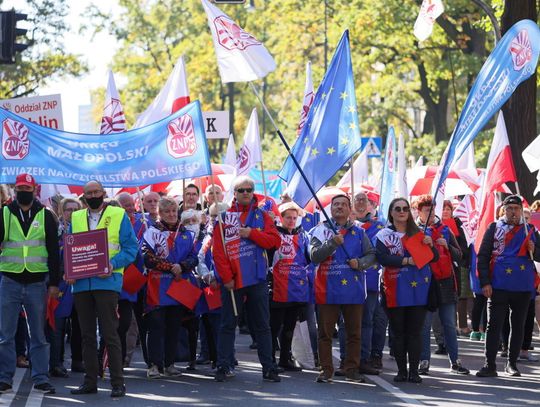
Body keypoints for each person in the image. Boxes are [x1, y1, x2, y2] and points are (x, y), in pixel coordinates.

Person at [69, 180, 138, 398]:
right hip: (81, 284)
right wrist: (69, 272)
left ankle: (118, 383)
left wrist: (112, 265)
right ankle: (90, 382)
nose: (92, 195)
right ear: (83, 196)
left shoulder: (118, 215)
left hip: (107, 282)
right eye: (88, 193)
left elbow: (131, 249)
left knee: (110, 334)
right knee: (86, 336)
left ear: (103, 193)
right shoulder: (76, 217)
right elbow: (70, 248)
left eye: (96, 192)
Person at [212, 176, 282, 382]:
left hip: (257, 279)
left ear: (253, 193)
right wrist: (226, 278)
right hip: (232, 281)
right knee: (227, 324)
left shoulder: (263, 216)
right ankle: (224, 365)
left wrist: (251, 233)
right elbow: (218, 252)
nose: (245, 193)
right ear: (234, 193)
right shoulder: (224, 218)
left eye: (249, 190)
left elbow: (274, 242)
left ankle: (269, 368)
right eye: (241, 190)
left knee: (262, 325)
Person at [0, 174, 60, 394]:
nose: (23, 190)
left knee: (38, 334)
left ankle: (41, 377)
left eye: (27, 187)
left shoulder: (46, 215)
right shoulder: (4, 213)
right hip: (10, 279)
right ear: (15, 190)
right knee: (5, 334)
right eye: (19, 187)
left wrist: (54, 283)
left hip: (37, 282)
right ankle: (4, 378)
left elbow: (54, 251)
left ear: (35, 190)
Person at [310, 194, 376, 383]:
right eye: (335, 204)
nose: (339, 207)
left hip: (352, 290)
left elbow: (372, 255)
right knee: (325, 333)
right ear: (330, 209)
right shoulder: (320, 231)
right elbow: (314, 256)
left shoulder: (359, 232)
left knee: (354, 333)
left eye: (343, 205)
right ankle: (326, 370)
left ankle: (351, 369)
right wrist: (332, 243)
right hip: (327, 289)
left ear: (350, 209)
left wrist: (361, 263)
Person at [476, 195, 540, 377]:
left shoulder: (530, 230)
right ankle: (490, 365)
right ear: (504, 210)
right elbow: (483, 256)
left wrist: (534, 249)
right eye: (510, 208)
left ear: (521, 210)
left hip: (522, 285)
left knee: (517, 325)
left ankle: (512, 364)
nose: (513, 211)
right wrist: (485, 282)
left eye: (516, 208)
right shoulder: (494, 227)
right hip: (498, 284)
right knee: (493, 325)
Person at [375, 198, 438, 383]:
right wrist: (405, 261)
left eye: (405, 208)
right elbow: (382, 258)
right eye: (398, 208)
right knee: (398, 331)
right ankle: (402, 371)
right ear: (391, 213)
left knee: (415, 332)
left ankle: (414, 372)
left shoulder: (419, 233)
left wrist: (431, 245)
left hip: (418, 289)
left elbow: (433, 258)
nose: (402, 211)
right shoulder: (383, 235)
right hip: (394, 289)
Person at [142, 196, 198, 378]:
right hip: (157, 286)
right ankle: (154, 365)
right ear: (160, 213)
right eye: (167, 211)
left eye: (174, 211)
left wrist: (181, 266)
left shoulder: (186, 233)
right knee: (156, 325)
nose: (172, 214)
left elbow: (193, 256)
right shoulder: (151, 231)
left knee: (174, 325)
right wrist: (169, 267)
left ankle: (169, 363)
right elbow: (147, 257)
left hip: (178, 285)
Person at [415, 195, 469, 375]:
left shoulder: (446, 229)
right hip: (425, 283)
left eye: (432, 210)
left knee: (448, 324)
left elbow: (459, 255)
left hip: (446, 282)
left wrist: (448, 246)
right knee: (424, 325)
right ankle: (423, 361)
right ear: (419, 212)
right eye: (426, 211)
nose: (430, 214)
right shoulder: (414, 230)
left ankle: (455, 361)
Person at [268, 202, 311, 371]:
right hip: (277, 287)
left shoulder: (303, 236)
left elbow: (308, 258)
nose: (292, 221)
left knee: (290, 327)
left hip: (297, 288)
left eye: (295, 218)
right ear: (281, 218)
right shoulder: (274, 235)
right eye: (288, 217)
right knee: (274, 327)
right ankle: (270, 359)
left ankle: (285, 358)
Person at [353, 191, 387, 374]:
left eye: (363, 200)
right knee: (347, 322)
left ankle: (369, 357)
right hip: (348, 279)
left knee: (370, 321)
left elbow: (374, 251)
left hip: (371, 280)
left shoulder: (379, 227)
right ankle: (348, 358)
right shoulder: (347, 224)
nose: (360, 203)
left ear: (368, 204)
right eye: (356, 200)